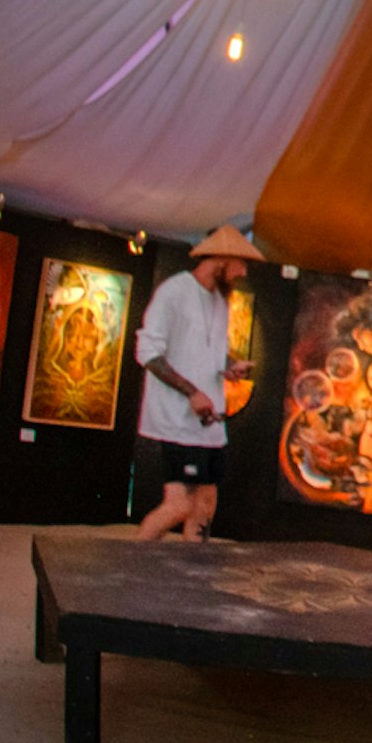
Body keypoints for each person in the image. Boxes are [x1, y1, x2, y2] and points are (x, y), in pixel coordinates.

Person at [132, 224, 259, 539]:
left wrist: (230, 366)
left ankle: (193, 574)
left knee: (206, 503)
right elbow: (148, 352)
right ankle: (129, 562)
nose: (243, 272)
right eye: (240, 264)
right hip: (178, 420)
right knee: (179, 506)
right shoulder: (174, 292)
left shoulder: (219, 300)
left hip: (209, 423)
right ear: (221, 259)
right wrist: (192, 393)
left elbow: (208, 351)